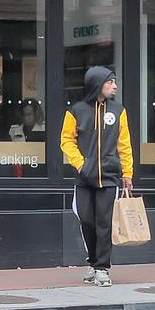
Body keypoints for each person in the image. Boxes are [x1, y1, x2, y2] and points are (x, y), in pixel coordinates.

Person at [59, 66, 134, 286]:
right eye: (110, 82)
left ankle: (102, 268)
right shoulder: (76, 111)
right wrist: (81, 165)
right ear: (97, 84)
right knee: (87, 221)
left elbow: (125, 144)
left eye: (114, 82)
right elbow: (66, 140)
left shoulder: (119, 111)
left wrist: (127, 173)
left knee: (104, 223)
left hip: (110, 177)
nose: (115, 86)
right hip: (84, 178)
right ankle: (92, 262)